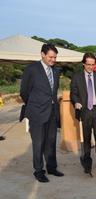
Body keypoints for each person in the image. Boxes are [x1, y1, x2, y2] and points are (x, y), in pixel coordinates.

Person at [20, 43, 64, 182]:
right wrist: (33, 104)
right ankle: (38, 171)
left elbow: (53, 92)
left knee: (51, 142)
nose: (53, 60)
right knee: (38, 143)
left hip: (52, 112)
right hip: (37, 112)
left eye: (55, 57)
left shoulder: (56, 71)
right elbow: (24, 92)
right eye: (51, 57)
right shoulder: (32, 69)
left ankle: (51, 167)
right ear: (42, 54)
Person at [70, 53, 96, 174]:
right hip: (84, 111)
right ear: (83, 64)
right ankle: (87, 164)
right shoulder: (77, 76)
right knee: (86, 139)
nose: (90, 67)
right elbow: (73, 93)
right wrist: (76, 102)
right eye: (88, 64)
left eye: (92, 64)